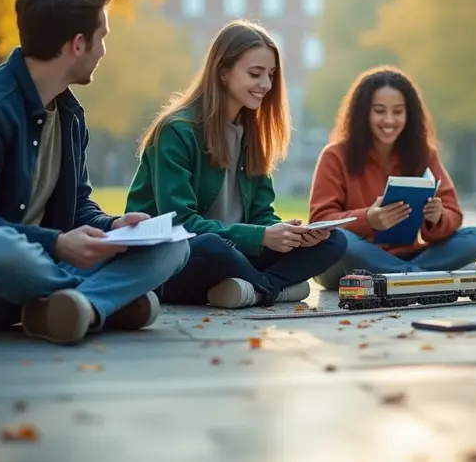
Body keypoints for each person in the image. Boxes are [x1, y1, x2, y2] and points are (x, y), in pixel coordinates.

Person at [0, 0, 191, 345]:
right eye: (102, 38)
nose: (103, 51)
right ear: (77, 44)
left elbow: (78, 206)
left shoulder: (69, 115)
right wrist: (57, 244)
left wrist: (114, 226)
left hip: (44, 267)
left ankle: (77, 307)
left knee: (172, 243)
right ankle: (101, 301)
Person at [126, 20, 346, 308]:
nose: (266, 85)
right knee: (212, 247)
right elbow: (180, 223)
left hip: (236, 252)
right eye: (255, 74)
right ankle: (273, 289)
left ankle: (251, 289)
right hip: (176, 256)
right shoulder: (176, 131)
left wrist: (288, 233)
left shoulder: (254, 135)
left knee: (334, 241)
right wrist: (261, 236)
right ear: (223, 73)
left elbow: (260, 214)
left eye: (271, 75)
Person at [308, 66, 476, 290]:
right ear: (363, 114)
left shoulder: (423, 154)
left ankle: (403, 277)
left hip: (409, 255)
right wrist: (368, 219)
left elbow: (453, 212)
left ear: (409, 115)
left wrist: (437, 217)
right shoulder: (335, 155)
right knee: (339, 241)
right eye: (379, 111)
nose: (389, 120)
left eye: (398, 111)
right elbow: (320, 223)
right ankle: (424, 276)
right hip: (353, 257)